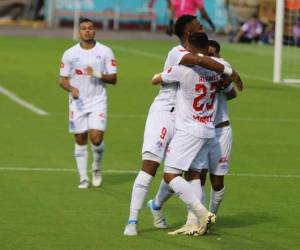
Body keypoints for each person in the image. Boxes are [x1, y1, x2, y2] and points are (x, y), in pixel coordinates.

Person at [123, 15, 243, 236]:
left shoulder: (205, 60)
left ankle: (174, 212)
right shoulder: (178, 54)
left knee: (190, 172)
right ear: (189, 33)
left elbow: (206, 69)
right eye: (198, 24)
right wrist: (228, 72)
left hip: (187, 118)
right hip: (165, 112)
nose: (202, 26)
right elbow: (198, 61)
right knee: (151, 165)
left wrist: (224, 77)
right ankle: (132, 221)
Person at [148, 39, 239, 236]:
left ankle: (204, 215)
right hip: (206, 129)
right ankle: (192, 221)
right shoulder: (221, 71)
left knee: (176, 176)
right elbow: (231, 83)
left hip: (200, 130)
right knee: (195, 177)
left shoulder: (190, 70)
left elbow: (156, 79)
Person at [59, 18, 117, 189]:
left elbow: (114, 78)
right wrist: (71, 88)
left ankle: (97, 167)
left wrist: (98, 74)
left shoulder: (105, 51)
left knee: (96, 138)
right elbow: (62, 79)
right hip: (78, 103)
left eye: (90, 28)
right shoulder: (69, 53)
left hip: (98, 100)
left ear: (94, 31)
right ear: (79, 32)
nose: (87, 31)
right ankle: (83, 177)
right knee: (80, 138)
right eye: (83, 28)